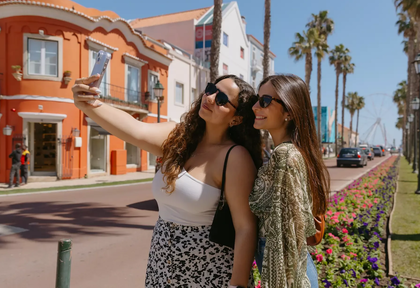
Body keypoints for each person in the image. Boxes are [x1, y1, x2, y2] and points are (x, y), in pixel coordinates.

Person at [72, 74, 262, 288]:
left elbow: (245, 227)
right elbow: (135, 129)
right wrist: (89, 103)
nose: (209, 98)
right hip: (161, 268)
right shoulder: (179, 137)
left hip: (210, 273)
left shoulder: (235, 157)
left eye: (221, 99)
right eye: (210, 89)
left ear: (236, 119)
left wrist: (237, 285)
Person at [249, 74, 330, 288]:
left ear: (289, 111)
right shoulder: (292, 152)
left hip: (288, 276)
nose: (255, 107)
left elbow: (283, 236)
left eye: (265, 101)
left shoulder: (285, 155)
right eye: (256, 100)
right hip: (293, 271)